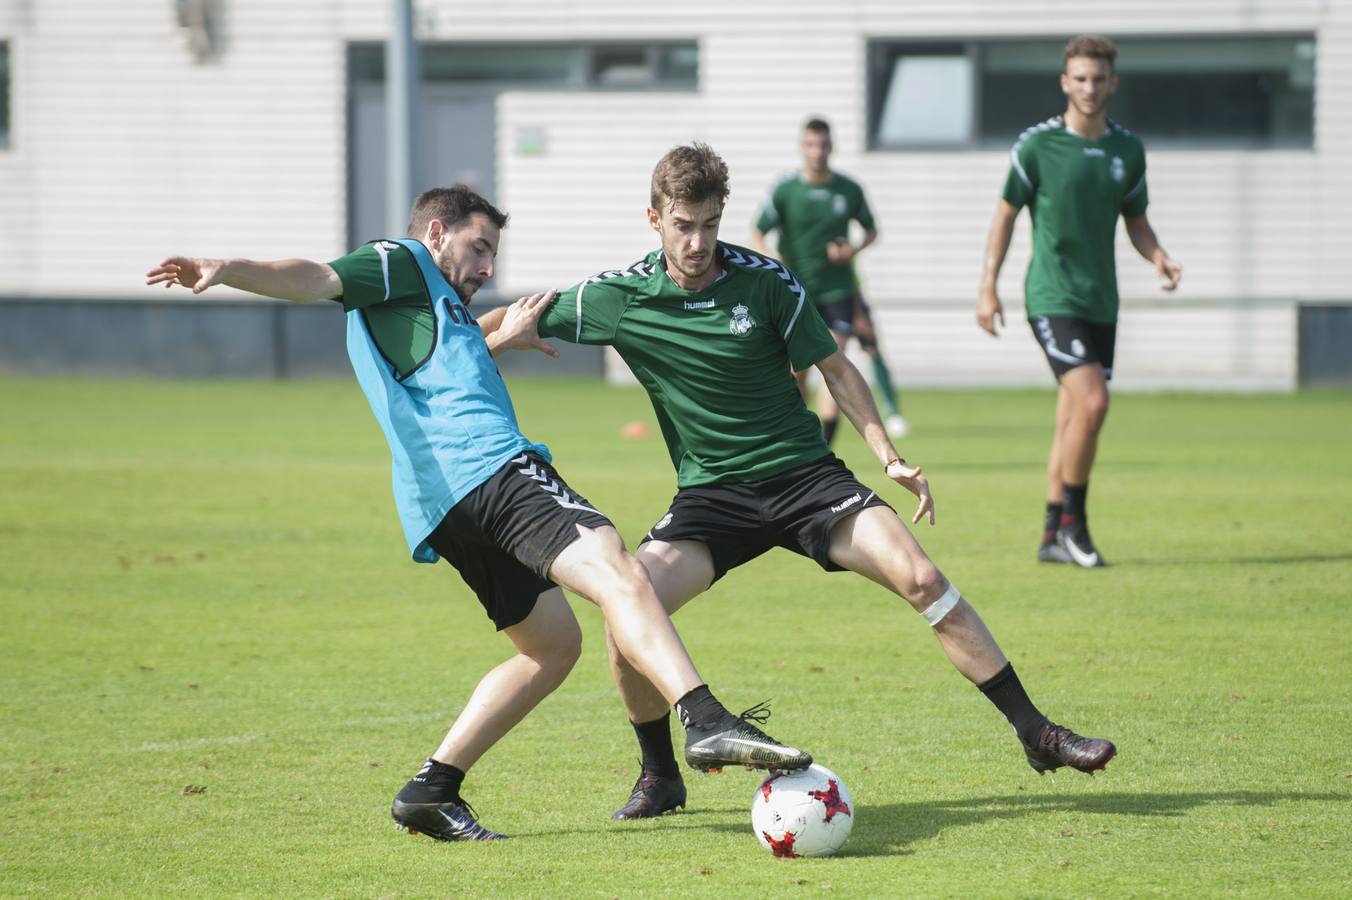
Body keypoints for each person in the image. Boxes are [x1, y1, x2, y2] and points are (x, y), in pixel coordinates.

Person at [144, 185, 812, 843]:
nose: (487, 267)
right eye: (478, 247)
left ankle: (432, 788)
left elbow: (436, 376)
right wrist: (225, 268)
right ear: (436, 233)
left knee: (553, 647)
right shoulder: (400, 261)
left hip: (445, 502)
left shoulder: (434, 310)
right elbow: (315, 278)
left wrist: (503, 338)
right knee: (618, 567)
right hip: (492, 469)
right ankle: (704, 717)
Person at [481, 145, 1116, 822]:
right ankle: (661, 774)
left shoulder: (767, 283)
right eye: (683, 225)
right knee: (628, 612)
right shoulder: (619, 296)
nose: (698, 242)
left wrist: (887, 455)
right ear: (654, 219)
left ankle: (1036, 733)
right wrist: (489, 344)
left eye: (710, 224)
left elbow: (837, 370)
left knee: (923, 579)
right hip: (713, 498)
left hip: (807, 480)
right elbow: (491, 324)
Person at [977, 35, 1182, 568]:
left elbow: (1135, 220)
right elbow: (1004, 215)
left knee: (1073, 416)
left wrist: (1157, 255)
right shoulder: (1036, 146)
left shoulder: (1127, 150)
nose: (1090, 88)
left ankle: (1050, 534)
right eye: (1080, 78)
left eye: (1099, 78)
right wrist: (987, 287)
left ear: (1112, 83)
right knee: (1093, 403)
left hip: (1101, 303)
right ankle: (1075, 525)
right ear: (1065, 82)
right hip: (1051, 296)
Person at [752, 117, 909, 443]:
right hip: (796, 292)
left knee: (833, 363)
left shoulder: (848, 190)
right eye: (811, 145)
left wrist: (852, 249)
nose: (817, 152)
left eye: (822, 145)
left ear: (831, 147)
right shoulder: (786, 191)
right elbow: (758, 230)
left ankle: (824, 446)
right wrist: (772, 262)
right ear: (802, 147)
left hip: (837, 290)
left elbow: (872, 229)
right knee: (798, 372)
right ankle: (796, 438)